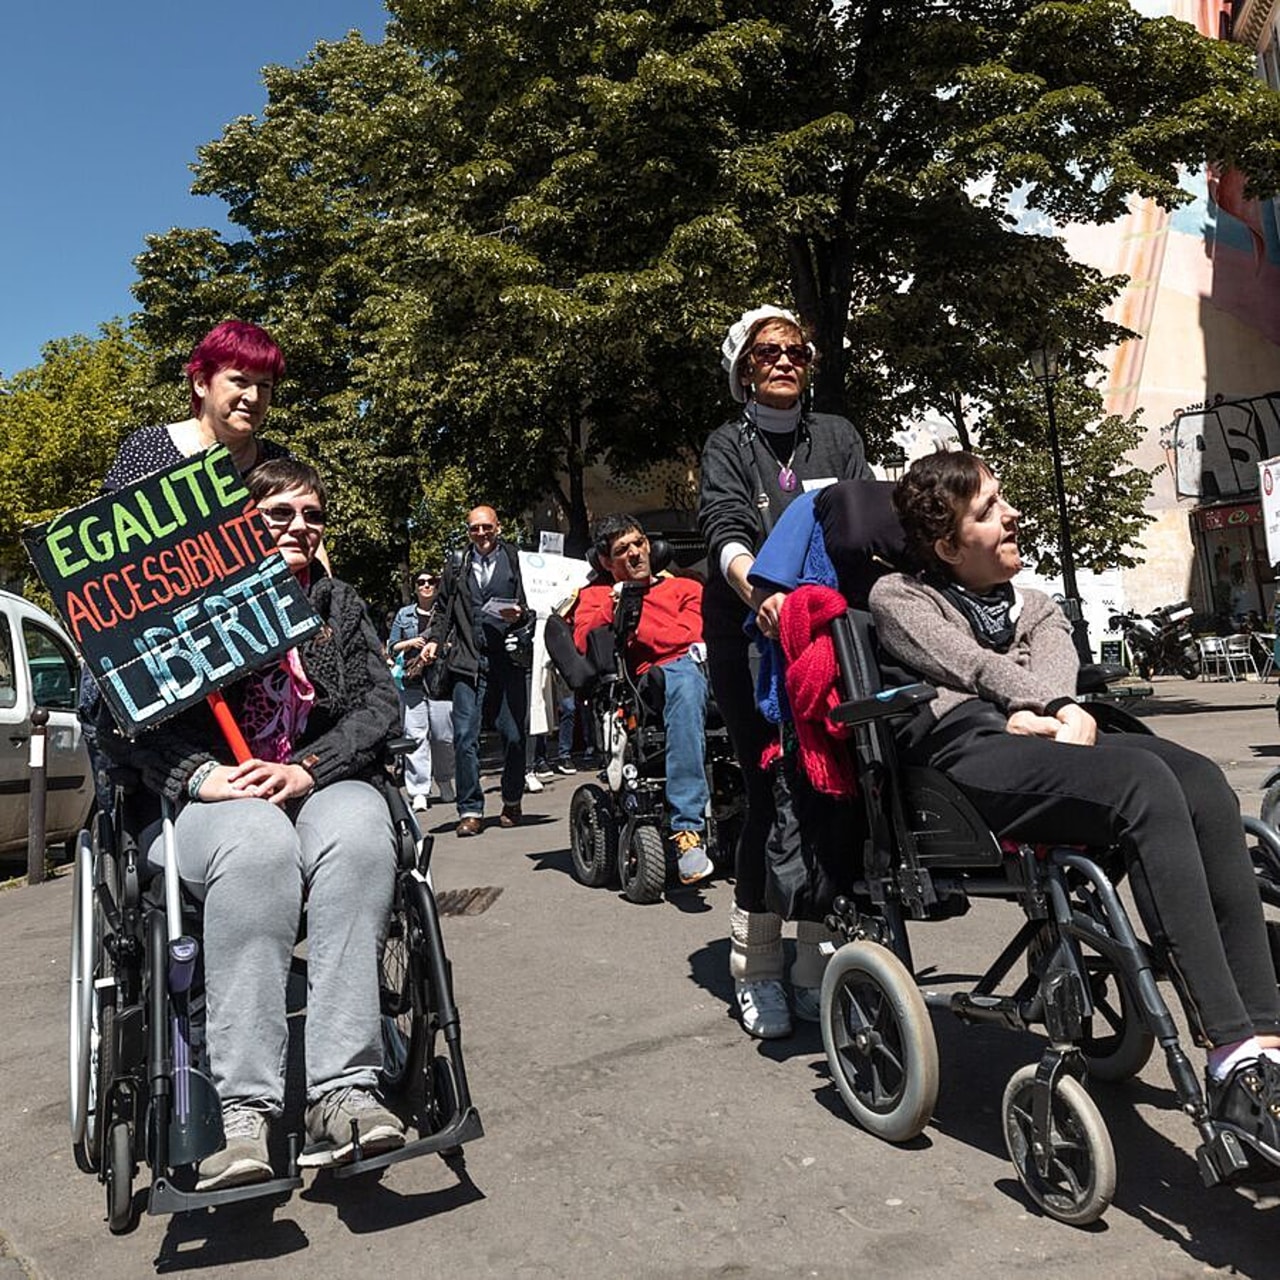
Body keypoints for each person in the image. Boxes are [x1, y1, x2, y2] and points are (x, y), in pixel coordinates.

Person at [869, 450, 1280, 1157]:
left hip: (1054, 735)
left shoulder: (1034, 602)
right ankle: (1227, 1054)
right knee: (1142, 787)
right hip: (969, 757)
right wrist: (1029, 704)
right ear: (946, 544)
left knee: (1203, 782)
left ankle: (1264, 1043)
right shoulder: (899, 598)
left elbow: (1054, 660)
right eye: (989, 509)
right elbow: (967, 665)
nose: (1012, 515)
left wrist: (1056, 709)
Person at [92, 457, 405, 1190]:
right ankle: (243, 1113)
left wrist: (308, 767)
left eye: (313, 515)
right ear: (237, 526)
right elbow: (126, 725)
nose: (301, 526)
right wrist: (203, 777)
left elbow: (378, 706)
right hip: (208, 803)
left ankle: (345, 1091)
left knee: (363, 833)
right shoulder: (179, 609)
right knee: (260, 846)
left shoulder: (336, 605)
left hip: (316, 784)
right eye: (279, 515)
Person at [698, 305, 873, 1039]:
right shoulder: (726, 444)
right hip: (750, 628)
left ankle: (813, 961)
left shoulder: (837, 435)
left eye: (795, 350)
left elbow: (865, 520)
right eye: (767, 351)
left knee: (838, 788)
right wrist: (760, 593)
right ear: (743, 367)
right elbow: (726, 528)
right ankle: (757, 966)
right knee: (772, 792)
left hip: (828, 628)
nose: (782, 361)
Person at [574, 514, 715, 885]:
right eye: (623, 550)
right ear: (606, 562)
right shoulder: (595, 598)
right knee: (683, 679)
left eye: (639, 543)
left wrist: (648, 630)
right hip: (655, 682)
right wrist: (618, 603)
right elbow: (586, 639)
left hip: (704, 665)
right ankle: (687, 832)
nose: (636, 553)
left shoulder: (685, 587)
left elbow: (695, 632)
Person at [425, 505, 532, 836]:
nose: (481, 534)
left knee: (514, 736)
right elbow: (443, 608)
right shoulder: (457, 563)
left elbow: (534, 604)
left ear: (498, 527)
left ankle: (512, 799)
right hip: (467, 662)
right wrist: (432, 640)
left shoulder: (516, 560)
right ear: (468, 531)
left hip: (508, 661)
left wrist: (522, 615)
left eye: (486, 527)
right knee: (464, 736)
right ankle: (470, 810)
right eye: (474, 529)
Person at [103, 320, 290, 492]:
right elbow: (106, 523)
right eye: (240, 381)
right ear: (201, 383)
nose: (254, 397)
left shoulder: (281, 463)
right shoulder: (147, 449)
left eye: (264, 385)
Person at [389, 570, 456, 812]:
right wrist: (410, 643)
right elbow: (391, 647)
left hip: (441, 680)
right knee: (416, 736)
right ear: (415, 587)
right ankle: (418, 790)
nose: (426, 586)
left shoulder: (447, 611)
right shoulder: (404, 614)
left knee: (443, 736)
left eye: (431, 582)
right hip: (412, 682)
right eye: (421, 582)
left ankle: (445, 780)